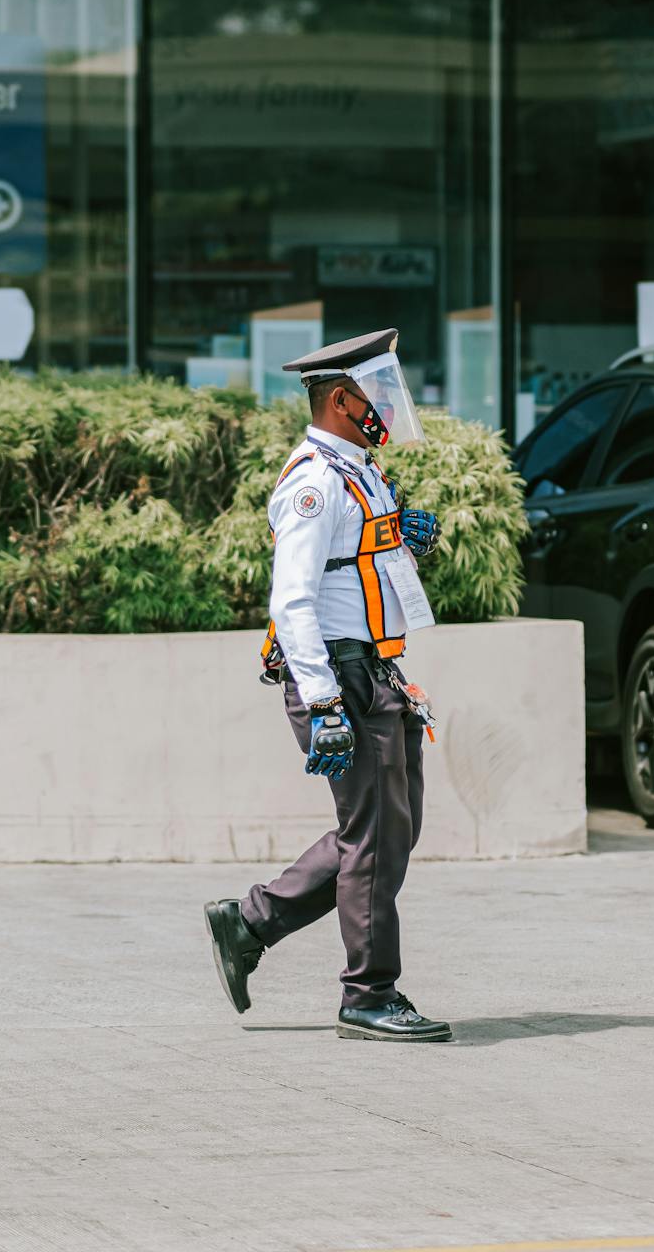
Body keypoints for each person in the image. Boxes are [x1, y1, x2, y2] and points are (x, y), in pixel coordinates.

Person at [203, 328, 452, 1043]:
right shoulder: (314, 480)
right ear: (341, 399)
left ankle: (250, 921)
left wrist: (401, 538)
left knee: (389, 829)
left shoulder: (360, 471)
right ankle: (369, 996)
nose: (388, 405)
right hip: (338, 676)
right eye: (377, 392)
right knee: (373, 837)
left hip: (374, 669)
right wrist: (323, 705)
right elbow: (293, 602)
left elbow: (359, 566)